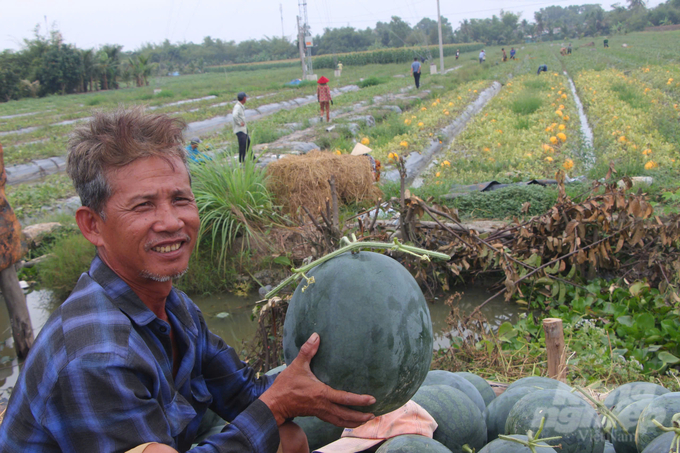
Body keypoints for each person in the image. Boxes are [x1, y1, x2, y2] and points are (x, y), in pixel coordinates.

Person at [0, 108, 376, 453]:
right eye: (143, 205)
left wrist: (347, 389)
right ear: (92, 225)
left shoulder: (174, 308)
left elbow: (245, 393)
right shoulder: (96, 356)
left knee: (286, 436)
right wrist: (276, 404)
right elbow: (267, 405)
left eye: (180, 199)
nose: (171, 222)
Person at [233, 91, 250, 163]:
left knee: (248, 142)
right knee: (242, 146)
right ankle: (241, 161)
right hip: (240, 130)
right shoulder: (237, 107)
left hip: (243, 129)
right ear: (244, 98)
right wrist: (240, 123)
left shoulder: (240, 106)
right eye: (246, 97)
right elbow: (234, 116)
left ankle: (253, 157)